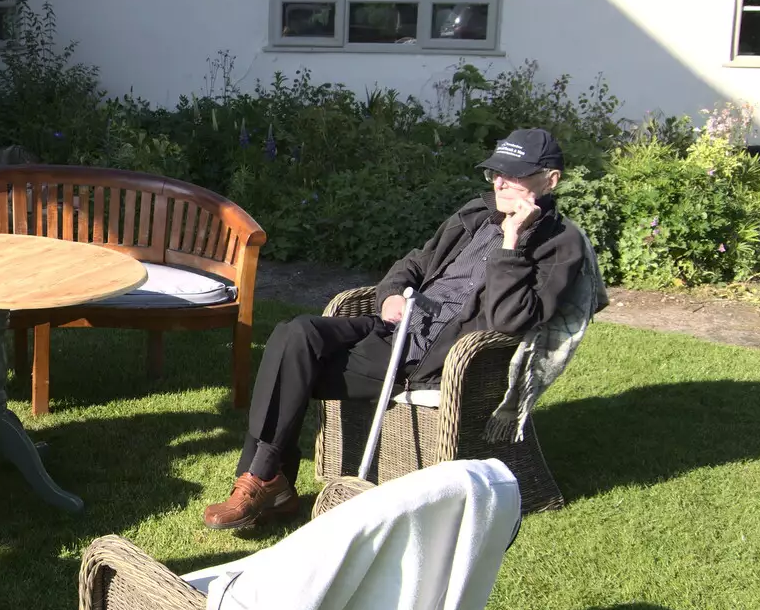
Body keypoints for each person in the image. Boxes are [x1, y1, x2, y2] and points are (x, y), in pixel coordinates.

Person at [203, 127, 596, 529]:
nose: (500, 182)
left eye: (514, 175)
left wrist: (511, 245)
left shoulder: (560, 245)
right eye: (496, 172)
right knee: (295, 332)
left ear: (550, 180)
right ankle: (269, 480)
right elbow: (414, 262)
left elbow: (509, 320)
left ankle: (262, 481)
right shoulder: (475, 215)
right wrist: (390, 293)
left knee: (290, 362)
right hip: (394, 326)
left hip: (426, 355)